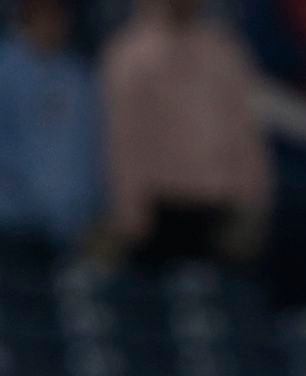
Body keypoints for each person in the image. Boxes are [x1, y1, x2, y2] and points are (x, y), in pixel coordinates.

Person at [100, 0, 271, 267]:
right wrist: (130, 212)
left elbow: (245, 132)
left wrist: (254, 201)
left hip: (220, 204)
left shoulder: (224, 51)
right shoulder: (129, 54)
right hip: (159, 208)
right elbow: (125, 142)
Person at [0, 0, 101, 252]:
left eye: (58, 15)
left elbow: (90, 149)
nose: (53, 24)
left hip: (72, 228)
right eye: (44, 14)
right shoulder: (6, 73)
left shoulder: (77, 76)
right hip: (14, 225)